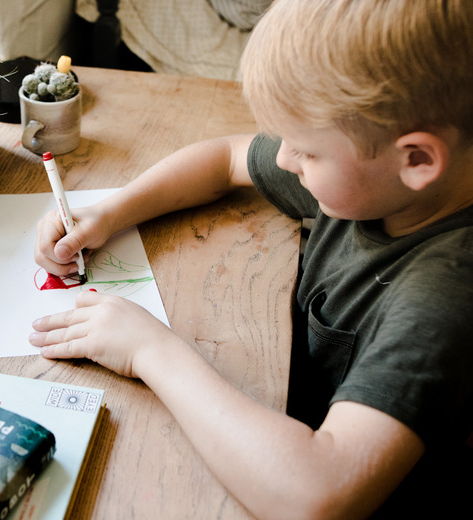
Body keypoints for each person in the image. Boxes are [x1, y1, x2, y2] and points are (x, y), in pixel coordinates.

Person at [29, 1, 473, 518]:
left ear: (417, 159)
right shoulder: (385, 181)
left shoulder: (443, 299)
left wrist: (150, 350)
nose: (284, 159)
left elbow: (318, 495)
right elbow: (224, 159)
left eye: (306, 151)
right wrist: (108, 211)